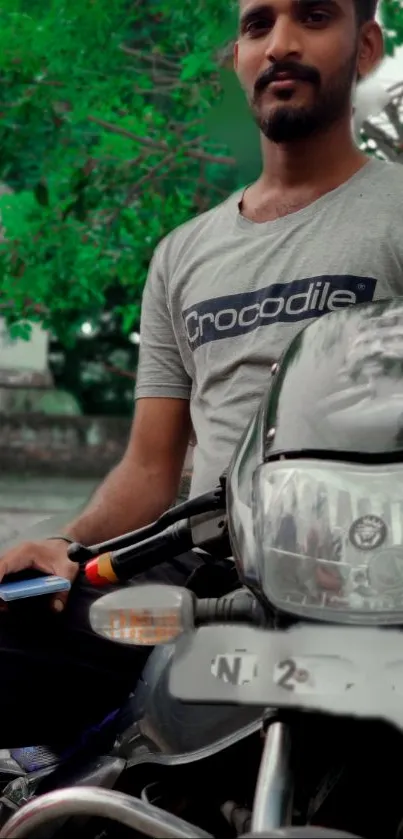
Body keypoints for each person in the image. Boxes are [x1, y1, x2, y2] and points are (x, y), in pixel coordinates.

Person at [1, 0, 403, 746]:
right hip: (190, 598)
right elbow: (151, 470)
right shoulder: (184, 254)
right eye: (257, 25)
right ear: (239, 58)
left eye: (312, 16)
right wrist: (61, 540)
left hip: (358, 593)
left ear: (366, 45)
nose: (279, 43)